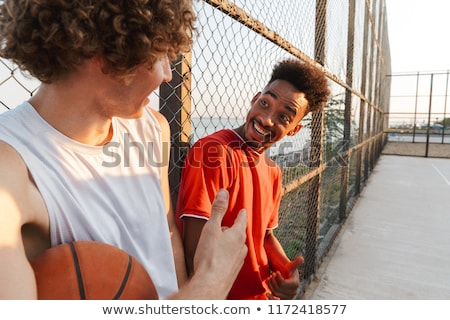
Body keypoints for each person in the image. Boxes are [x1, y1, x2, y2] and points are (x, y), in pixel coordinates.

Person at [0, 0, 248, 300]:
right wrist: (212, 281)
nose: (167, 74)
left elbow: (167, 234)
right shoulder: (11, 166)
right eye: (160, 55)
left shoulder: (154, 128)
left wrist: (187, 292)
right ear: (104, 54)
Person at [176, 59, 331, 300]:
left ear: (294, 130)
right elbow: (193, 247)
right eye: (265, 103)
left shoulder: (272, 171)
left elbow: (265, 237)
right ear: (255, 98)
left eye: (284, 117)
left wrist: (287, 272)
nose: (267, 119)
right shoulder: (213, 152)